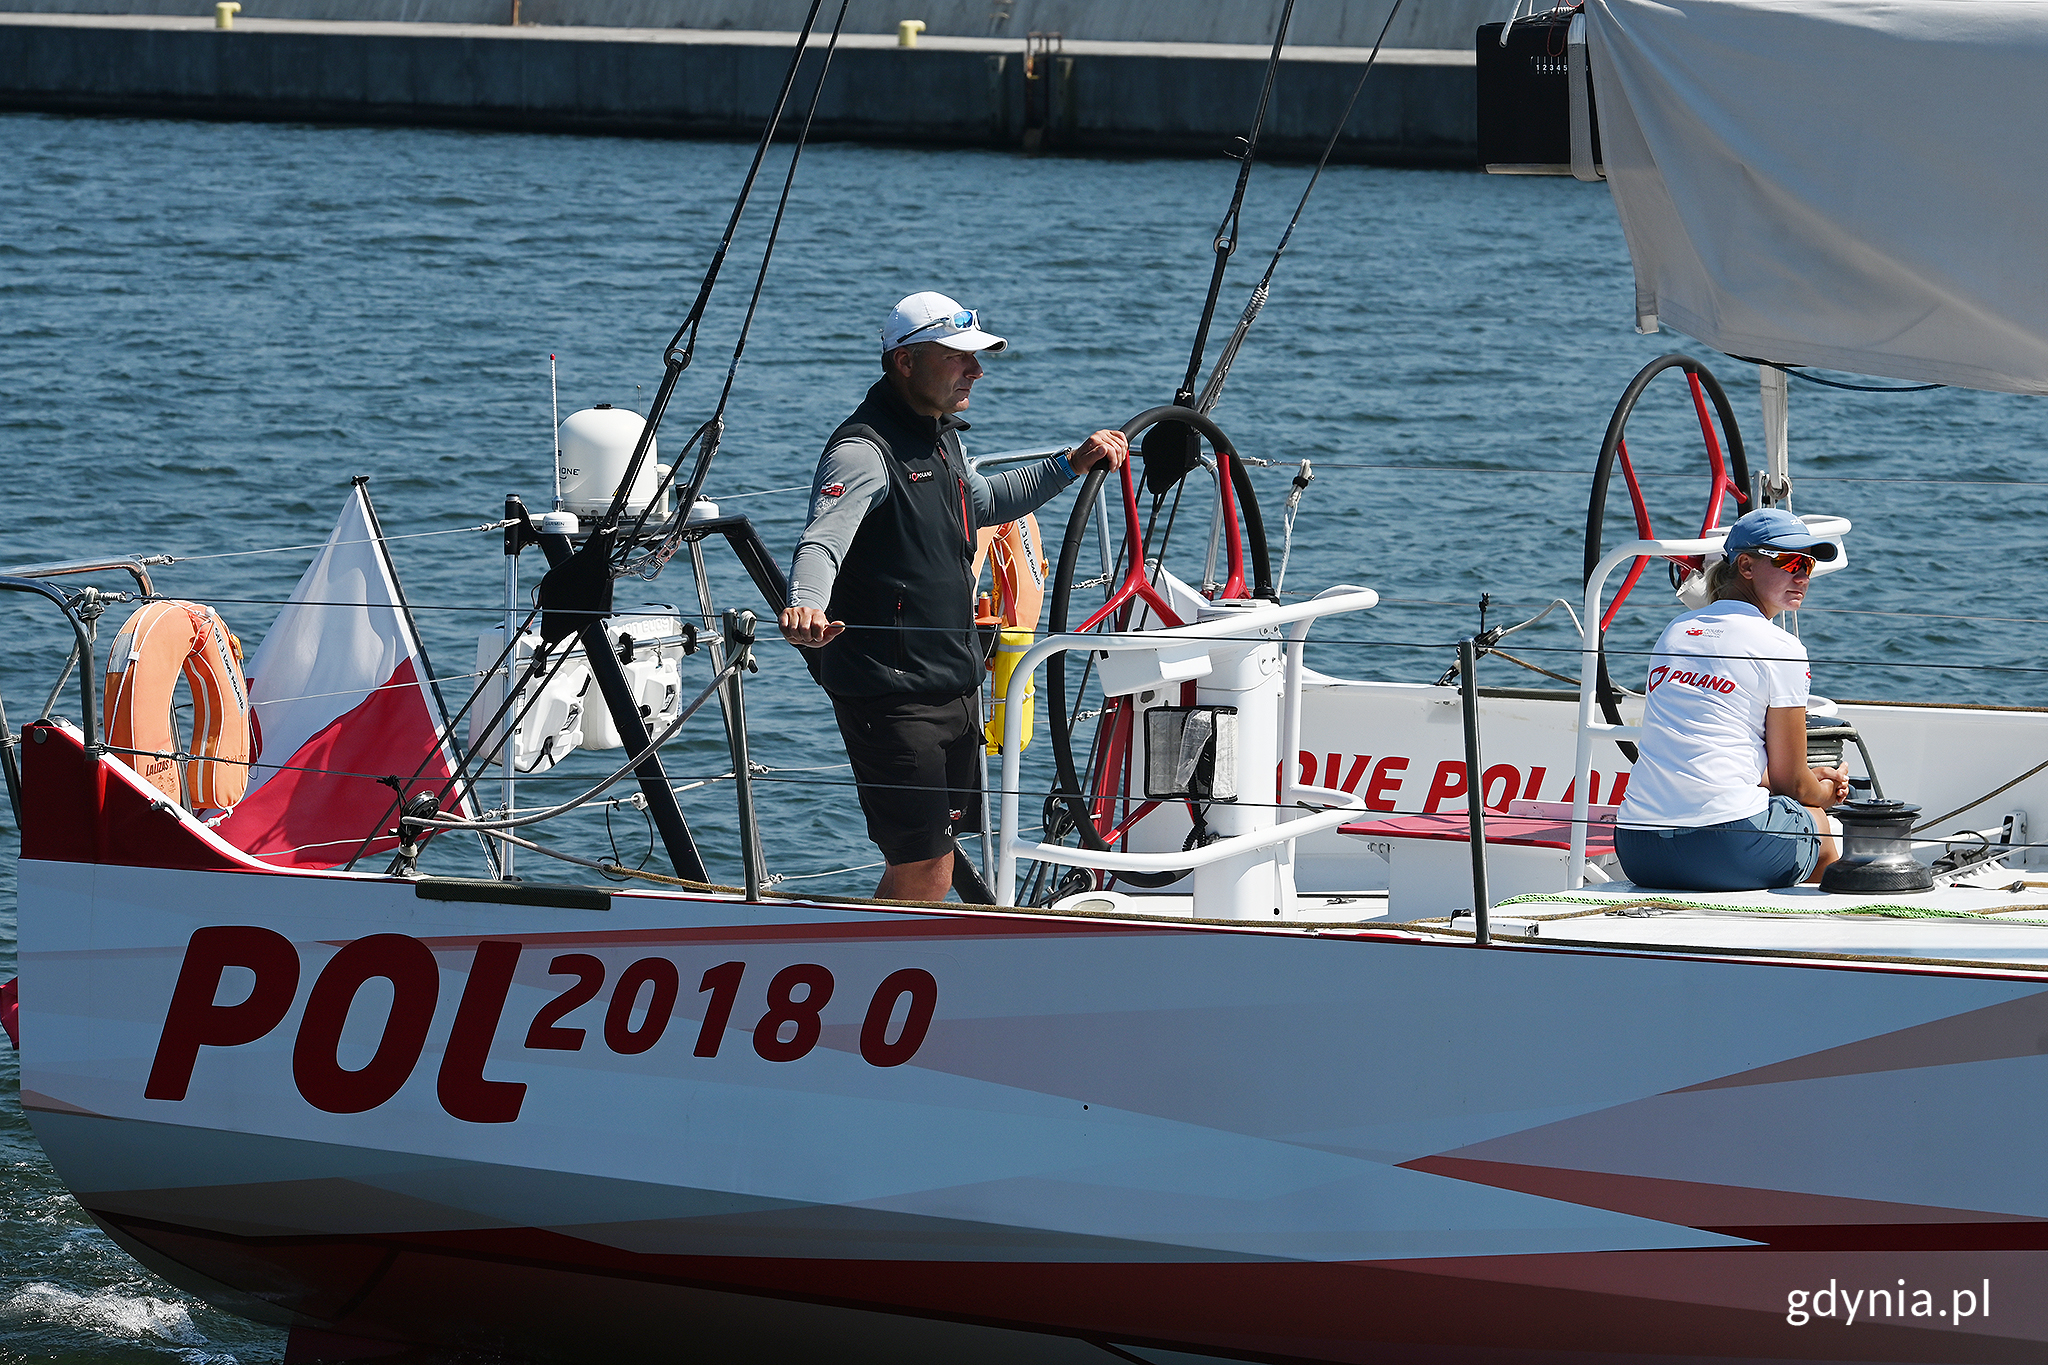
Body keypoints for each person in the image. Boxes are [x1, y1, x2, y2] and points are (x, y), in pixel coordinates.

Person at [779, 291, 1128, 902]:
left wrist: (1071, 463)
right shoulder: (862, 451)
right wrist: (806, 604)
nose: (976, 370)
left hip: (953, 684)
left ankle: (887, 954)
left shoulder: (942, 437)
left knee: (931, 862)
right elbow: (822, 541)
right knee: (925, 867)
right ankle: (873, 959)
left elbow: (983, 502)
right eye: (958, 357)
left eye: (976, 357)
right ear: (905, 361)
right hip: (893, 697)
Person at [1614, 507, 1851, 891]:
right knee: (1822, 826)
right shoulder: (1781, 647)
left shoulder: (1675, 631)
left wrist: (1809, 779)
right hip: (1726, 848)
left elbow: (1717, 749)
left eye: (1808, 565)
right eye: (1791, 562)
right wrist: (1826, 792)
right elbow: (1793, 783)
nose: (1803, 577)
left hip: (1638, 848)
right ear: (1745, 565)